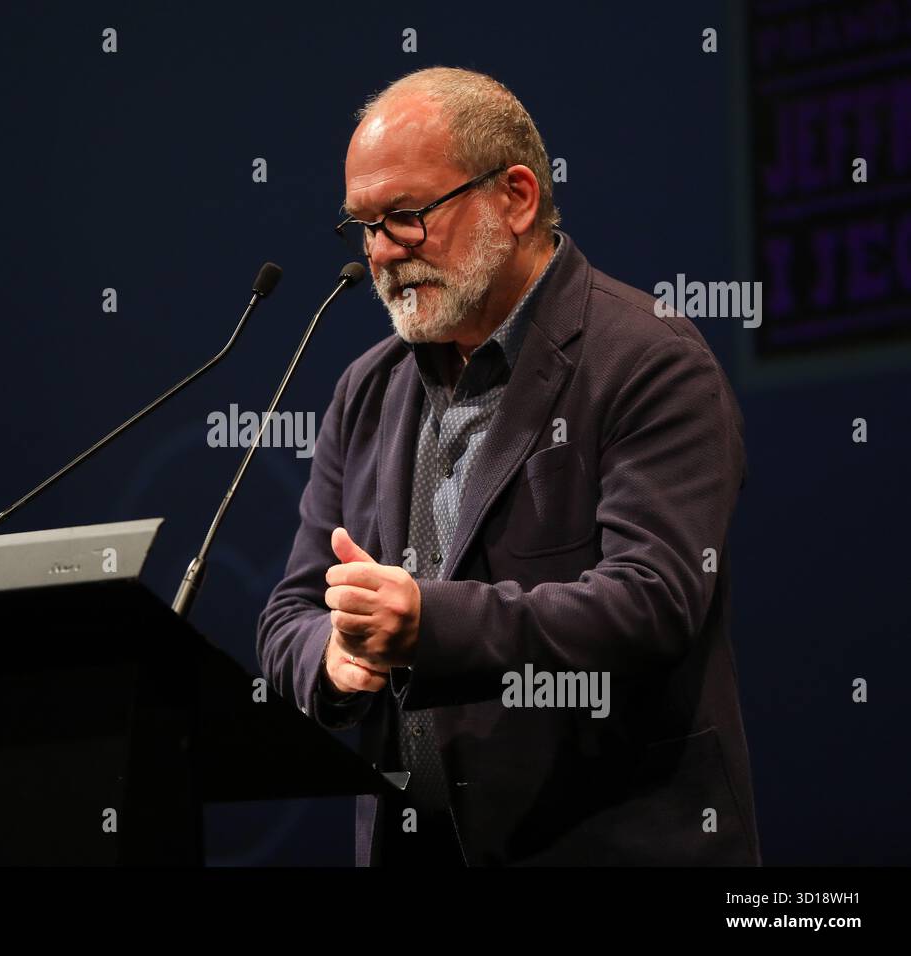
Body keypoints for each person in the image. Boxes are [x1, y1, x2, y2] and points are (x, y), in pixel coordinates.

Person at [256, 67, 760, 866]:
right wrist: (333, 653)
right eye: (363, 225)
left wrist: (428, 623)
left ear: (516, 197)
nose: (382, 252)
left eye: (407, 216)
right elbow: (289, 613)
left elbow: (654, 602)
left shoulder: (650, 362)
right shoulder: (367, 389)